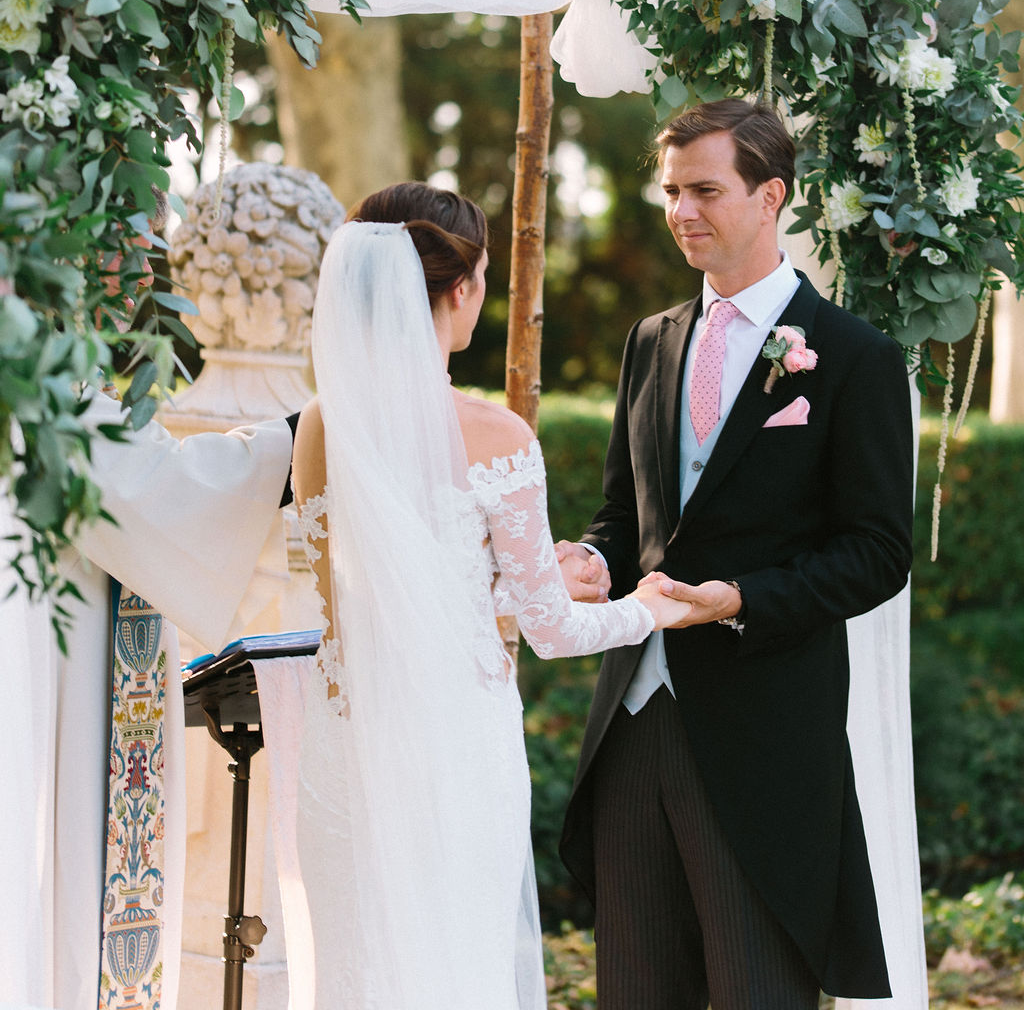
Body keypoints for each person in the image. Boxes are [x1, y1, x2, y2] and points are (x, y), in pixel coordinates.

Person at [289, 182, 691, 1010]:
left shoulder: (322, 427)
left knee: (358, 967)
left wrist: (506, 586)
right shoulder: (496, 435)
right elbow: (554, 630)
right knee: (458, 962)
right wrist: (650, 607)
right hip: (456, 746)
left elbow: (366, 601)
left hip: (345, 740)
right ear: (462, 289)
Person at [556, 98, 915, 1010]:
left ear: (771, 196)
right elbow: (626, 513)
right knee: (636, 992)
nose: (681, 211)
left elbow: (878, 552)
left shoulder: (854, 357)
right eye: (671, 192)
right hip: (633, 717)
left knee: (759, 991)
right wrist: (593, 561)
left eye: (705, 190)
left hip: (765, 734)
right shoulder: (650, 340)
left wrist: (742, 598)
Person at [0, 192, 298, 1010]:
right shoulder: (37, 364)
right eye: (125, 243)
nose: (142, 270)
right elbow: (152, 490)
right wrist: (294, 442)